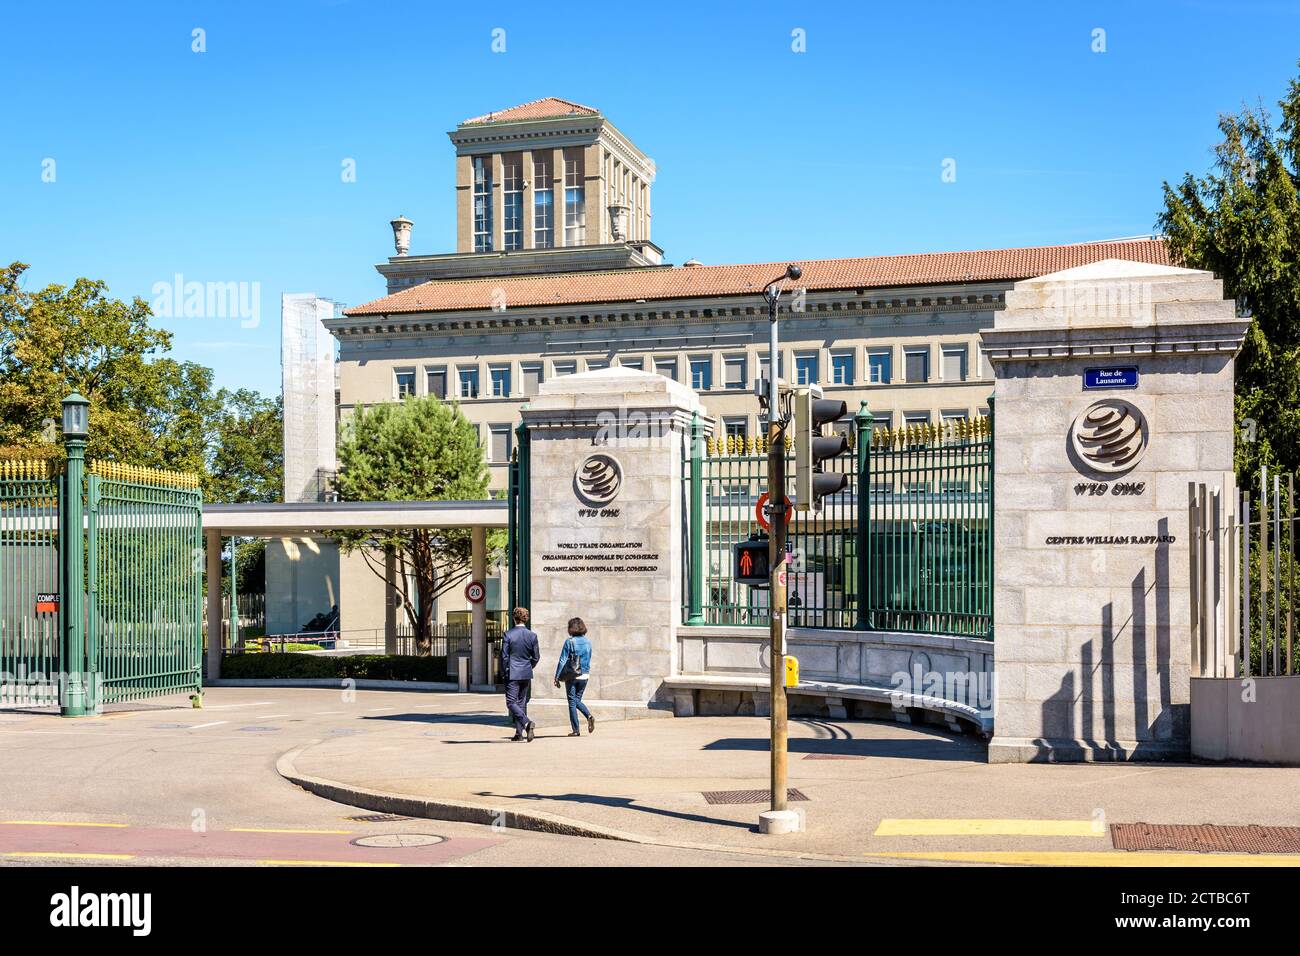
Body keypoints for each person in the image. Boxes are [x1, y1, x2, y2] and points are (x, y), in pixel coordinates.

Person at [501, 607, 540, 742]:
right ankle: (519, 733)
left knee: (511, 702)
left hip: (512, 673)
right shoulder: (532, 636)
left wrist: (504, 671)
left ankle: (527, 722)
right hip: (526, 672)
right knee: (521, 702)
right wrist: (529, 666)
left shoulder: (508, 635)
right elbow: (536, 657)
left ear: (514, 618)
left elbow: (504, 657)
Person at [553, 617, 595, 737]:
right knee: (577, 700)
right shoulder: (588, 642)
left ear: (571, 628)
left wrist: (557, 676)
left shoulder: (569, 641)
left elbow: (562, 660)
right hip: (585, 675)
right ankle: (589, 717)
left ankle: (576, 730)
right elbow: (589, 657)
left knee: (572, 702)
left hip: (572, 675)